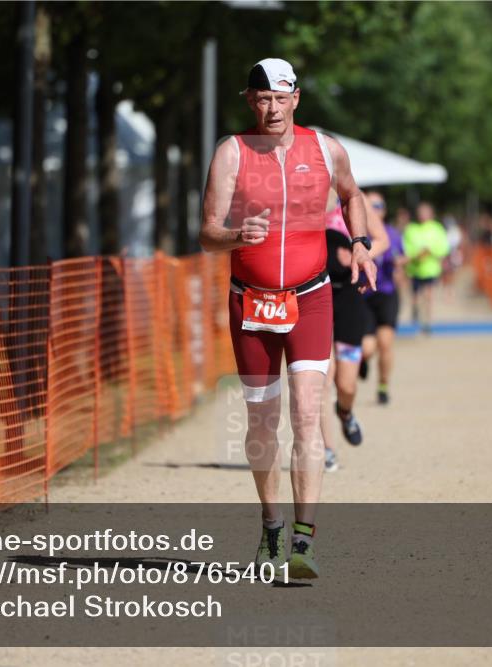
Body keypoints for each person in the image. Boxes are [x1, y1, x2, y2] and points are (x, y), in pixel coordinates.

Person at [199, 58, 376, 579]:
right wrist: (235, 236)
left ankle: (304, 541)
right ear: (250, 101)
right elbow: (206, 232)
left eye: (280, 98)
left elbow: (351, 194)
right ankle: (271, 526)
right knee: (261, 421)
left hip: (311, 298)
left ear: (296, 98)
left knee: (305, 413)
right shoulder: (231, 153)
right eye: (262, 99)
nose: (271, 108)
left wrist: (361, 244)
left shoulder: (324, 148)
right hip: (250, 300)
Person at [321, 190, 389, 472]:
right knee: (322, 381)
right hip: (314, 298)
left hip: (349, 299)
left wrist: (359, 257)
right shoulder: (299, 194)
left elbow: (382, 239)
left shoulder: (353, 199)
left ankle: (346, 412)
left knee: (346, 385)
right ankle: (327, 450)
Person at [359, 191, 405, 404]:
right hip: (364, 296)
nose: (375, 209)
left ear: (385, 210)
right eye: (371, 205)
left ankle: (383, 386)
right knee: (367, 348)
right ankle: (362, 362)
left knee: (386, 343)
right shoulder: (357, 234)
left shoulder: (392, 234)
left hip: (386, 294)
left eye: (379, 205)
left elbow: (399, 259)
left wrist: (400, 266)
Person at [404, 202, 449, 333]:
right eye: (421, 212)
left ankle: (427, 322)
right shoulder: (411, 228)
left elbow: (443, 247)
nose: (423, 215)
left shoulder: (437, 228)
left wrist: (430, 251)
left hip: (430, 269)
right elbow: (406, 247)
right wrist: (415, 254)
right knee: (415, 296)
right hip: (415, 268)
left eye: (425, 212)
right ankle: (415, 311)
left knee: (429, 296)